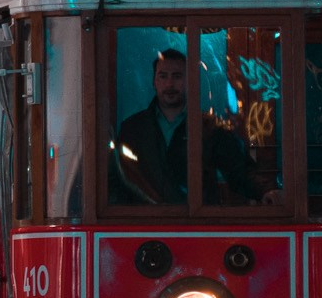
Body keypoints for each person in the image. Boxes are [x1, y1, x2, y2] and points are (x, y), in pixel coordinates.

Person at [112, 47, 270, 204]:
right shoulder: (133, 128)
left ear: (189, 81)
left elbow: (239, 170)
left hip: (196, 218)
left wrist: (266, 191)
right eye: (163, 76)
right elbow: (120, 180)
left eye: (177, 76)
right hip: (145, 219)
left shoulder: (210, 127)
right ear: (154, 81)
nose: (170, 84)